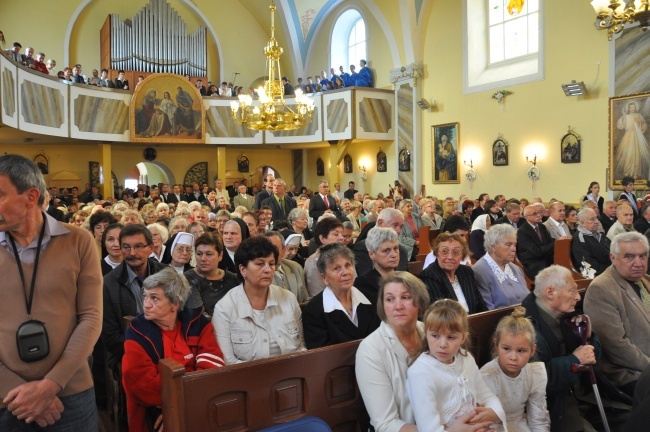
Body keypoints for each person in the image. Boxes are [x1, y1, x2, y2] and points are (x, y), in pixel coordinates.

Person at [0, 154, 102, 430]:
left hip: (71, 392)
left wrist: (51, 384)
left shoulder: (79, 242)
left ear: (30, 197)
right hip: (8, 397)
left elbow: (91, 318)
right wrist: (15, 390)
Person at [122, 268, 224, 432]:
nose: (146, 304)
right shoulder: (137, 332)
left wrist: (179, 409)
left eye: (154, 298)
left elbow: (212, 370)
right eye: (145, 296)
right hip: (152, 415)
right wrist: (176, 409)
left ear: (174, 304)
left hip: (196, 408)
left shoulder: (198, 324)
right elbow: (141, 385)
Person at [522, 265, 601, 432]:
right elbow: (532, 382)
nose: (578, 297)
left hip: (586, 396)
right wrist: (574, 360)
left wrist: (588, 338)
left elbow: (594, 361)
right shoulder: (525, 329)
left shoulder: (569, 317)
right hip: (558, 407)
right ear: (550, 293)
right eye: (572, 291)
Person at [407, 299, 506, 431]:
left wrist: (495, 412)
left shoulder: (466, 358)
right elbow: (428, 428)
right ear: (426, 332)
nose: (442, 344)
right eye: (435, 335)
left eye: (451, 337)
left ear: (463, 338)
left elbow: (487, 395)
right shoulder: (420, 372)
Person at [356, 272, 430, 431]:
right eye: (390, 299)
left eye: (405, 297)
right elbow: (386, 424)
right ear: (382, 305)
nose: (398, 306)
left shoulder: (430, 333)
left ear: (420, 301)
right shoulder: (370, 349)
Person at [213, 236, 304, 364]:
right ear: (243, 269)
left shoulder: (288, 298)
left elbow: (301, 346)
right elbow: (228, 361)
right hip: (247, 380)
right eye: (260, 264)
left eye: (271, 264)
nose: (268, 270)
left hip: (290, 375)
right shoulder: (225, 308)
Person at [584, 232, 650, 397]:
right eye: (629, 257)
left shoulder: (645, 280)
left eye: (643, 256)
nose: (638, 263)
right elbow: (616, 347)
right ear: (613, 258)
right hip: (628, 372)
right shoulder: (601, 289)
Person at [102, 224, 168, 372]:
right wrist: (145, 350)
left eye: (138, 246)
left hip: (168, 348)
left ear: (150, 248)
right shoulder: (108, 283)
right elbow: (111, 337)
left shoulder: (167, 275)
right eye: (126, 247)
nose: (132, 253)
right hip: (129, 353)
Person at [480, 307, 551, 431]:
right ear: (496, 346)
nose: (513, 357)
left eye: (521, 351)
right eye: (506, 349)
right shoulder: (488, 375)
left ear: (532, 350)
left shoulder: (534, 374)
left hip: (520, 425)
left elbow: (538, 418)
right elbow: (483, 420)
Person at [303, 243, 379, 348]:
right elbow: (321, 357)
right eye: (336, 268)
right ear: (324, 278)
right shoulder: (314, 311)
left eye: (348, 265)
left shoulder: (369, 297)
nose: (345, 272)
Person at [420, 232, 488, 314]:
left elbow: (481, 305)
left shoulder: (466, 272)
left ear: (462, 255)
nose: (450, 257)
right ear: (437, 253)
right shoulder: (429, 275)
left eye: (455, 252)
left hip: (474, 322)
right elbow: (440, 314)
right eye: (444, 251)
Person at [472, 224, 529, 310]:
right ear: (493, 247)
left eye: (514, 244)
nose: (514, 249)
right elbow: (488, 313)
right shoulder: (479, 272)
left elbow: (528, 301)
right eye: (508, 245)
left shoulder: (516, 269)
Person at [354, 227, 400, 309]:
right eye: (386, 250)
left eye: (396, 248)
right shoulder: (363, 283)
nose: (394, 254)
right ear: (372, 254)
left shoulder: (404, 277)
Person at [304, 217, 345, 296]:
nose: (341, 238)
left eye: (341, 234)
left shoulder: (344, 258)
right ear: (322, 238)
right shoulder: (313, 262)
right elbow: (317, 294)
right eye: (336, 234)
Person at [265, 231, 309, 303]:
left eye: (273, 249)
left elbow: (305, 299)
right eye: (265, 250)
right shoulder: (259, 273)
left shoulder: (295, 268)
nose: (269, 253)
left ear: (283, 251)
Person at [517, 203, 557, 280]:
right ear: (526, 217)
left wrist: (558, 241)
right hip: (533, 264)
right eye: (534, 214)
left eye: (539, 212)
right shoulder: (523, 231)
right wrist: (555, 243)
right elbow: (536, 251)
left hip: (544, 259)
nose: (538, 215)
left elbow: (549, 242)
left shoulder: (542, 227)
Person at [571, 208, 611, 276]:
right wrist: (612, 270)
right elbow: (588, 266)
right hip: (598, 276)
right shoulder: (580, 239)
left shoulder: (599, 234)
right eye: (592, 219)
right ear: (582, 223)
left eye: (596, 218)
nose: (597, 221)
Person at [615, 102, 649, 180]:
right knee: (628, 154)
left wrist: (639, 122)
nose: (632, 109)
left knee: (636, 154)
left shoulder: (638, 115)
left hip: (637, 137)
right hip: (628, 137)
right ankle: (627, 171)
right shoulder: (626, 116)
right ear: (628, 108)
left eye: (633, 107)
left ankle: (635, 173)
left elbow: (643, 126)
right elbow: (621, 125)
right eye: (631, 107)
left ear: (635, 108)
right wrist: (623, 115)